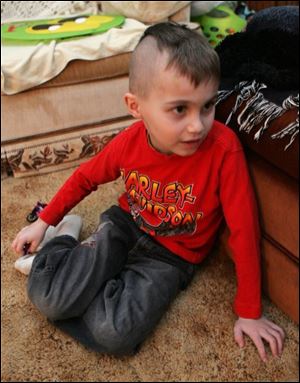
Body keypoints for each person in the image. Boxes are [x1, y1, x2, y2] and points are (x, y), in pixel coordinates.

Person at [12, 22, 285, 361]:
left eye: (207, 105)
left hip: (172, 257)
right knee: (49, 298)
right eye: (179, 109)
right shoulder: (128, 142)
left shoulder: (224, 150)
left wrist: (249, 310)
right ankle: (65, 237)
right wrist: (45, 222)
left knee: (114, 334)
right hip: (124, 224)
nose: (197, 125)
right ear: (136, 106)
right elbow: (85, 177)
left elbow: (244, 230)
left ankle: (82, 272)